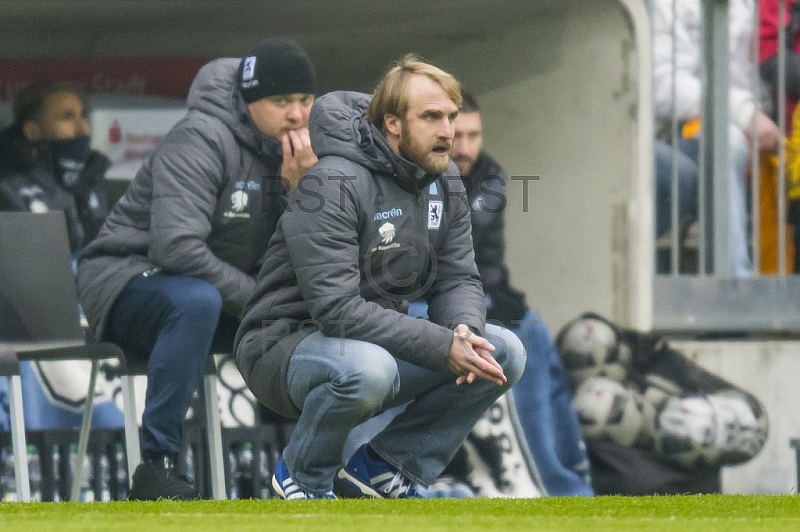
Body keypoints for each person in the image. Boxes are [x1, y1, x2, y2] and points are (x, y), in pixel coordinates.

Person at [234, 55, 525, 500]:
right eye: (431, 117)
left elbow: (458, 278)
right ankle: (302, 478)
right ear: (392, 122)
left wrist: (465, 328)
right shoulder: (332, 181)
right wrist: (441, 345)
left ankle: (385, 469)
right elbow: (336, 310)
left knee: (502, 352)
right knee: (370, 369)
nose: (447, 131)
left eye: (451, 116)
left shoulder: (444, 179)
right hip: (283, 345)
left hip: (372, 346)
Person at [76, 37, 318, 500]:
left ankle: (316, 469)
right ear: (248, 101)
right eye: (280, 101)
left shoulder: (302, 152)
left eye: (305, 100)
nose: (296, 114)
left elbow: (305, 255)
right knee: (197, 300)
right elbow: (176, 249)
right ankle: (158, 467)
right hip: (127, 279)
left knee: (316, 316)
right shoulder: (201, 138)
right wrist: (260, 301)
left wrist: (301, 190)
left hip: (212, 293)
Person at [448, 91, 593, 496]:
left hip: (483, 294)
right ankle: (538, 479)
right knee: (517, 341)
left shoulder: (491, 176)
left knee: (535, 333)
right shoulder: (419, 176)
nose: (464, 147)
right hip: (432, 302)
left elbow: (483, 261)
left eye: (473, 135)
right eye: (457, 135)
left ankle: (567, 480)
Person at [0, 80, 123, 433]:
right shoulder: (6, 182)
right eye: (67, 117)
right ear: (32, 130)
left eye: (83, 116)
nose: (82, 128)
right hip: (33, 333)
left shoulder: (93, 178)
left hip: (91, 318)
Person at [653, 0, 780, 277]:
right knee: (727, 140)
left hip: (766, 132)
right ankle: (734, 284)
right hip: (681, 132)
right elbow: (662, 86)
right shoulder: (667, 4)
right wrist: (745, 113)